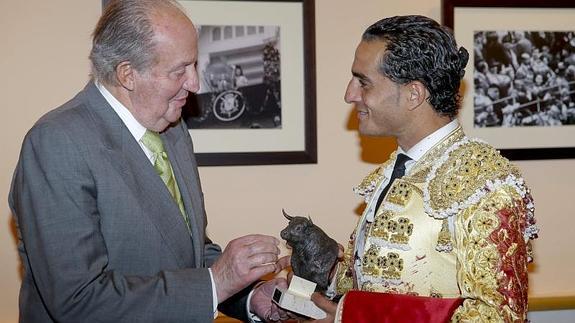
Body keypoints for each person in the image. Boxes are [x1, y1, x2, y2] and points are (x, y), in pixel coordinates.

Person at [8, 0, 289, 322]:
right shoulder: (57, 143)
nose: (196, 84)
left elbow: (185, 251)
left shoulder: (171, 129)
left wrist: (248, 295)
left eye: (195, 65)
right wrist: (217, 282)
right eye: (179, 70)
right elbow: (78, 300)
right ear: (128, 74)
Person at [305, 15, 538, 322]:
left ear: (414, 94)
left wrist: (352, 316)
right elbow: (384, 281)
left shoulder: (487, 184)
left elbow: (498, 316)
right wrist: (327, 272)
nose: (350, 94)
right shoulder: (393, 171)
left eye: (364, 82)